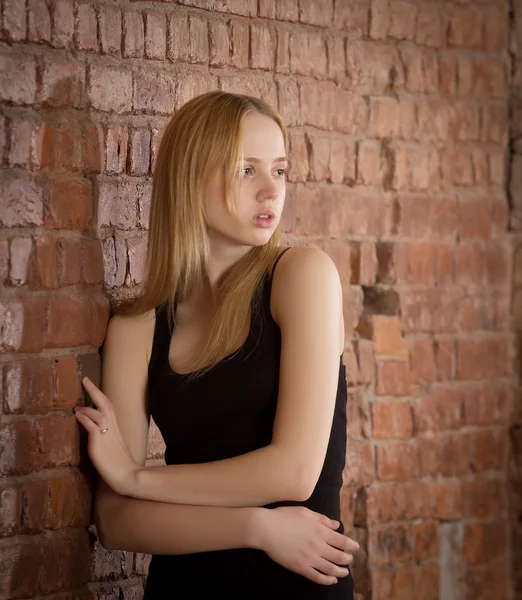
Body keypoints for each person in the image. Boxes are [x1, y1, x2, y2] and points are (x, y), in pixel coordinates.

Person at [74, 91, 357, 598]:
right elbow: (115, 522)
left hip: (296, 589)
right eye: (245, 171)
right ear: (189, 179)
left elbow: (292, 474)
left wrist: (136, 479)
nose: (271, 192)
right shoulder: (137, 328)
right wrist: (257, 529)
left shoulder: (303, 277)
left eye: (280, 170)